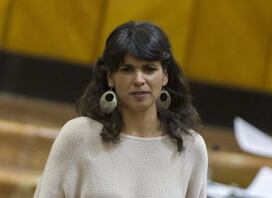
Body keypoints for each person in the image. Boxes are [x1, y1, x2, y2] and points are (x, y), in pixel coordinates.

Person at [34, 21, 208, 197]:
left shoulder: (191, 147)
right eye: (127, 69)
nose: (139, 79)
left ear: (165, 76)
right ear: (110, 77)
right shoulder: (78, 136)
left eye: (149, 69)